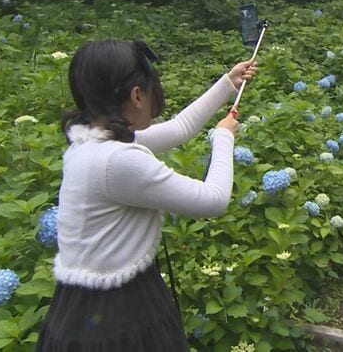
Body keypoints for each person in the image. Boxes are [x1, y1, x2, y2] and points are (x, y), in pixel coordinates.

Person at [36, 39, 256, 351]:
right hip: (117, 317)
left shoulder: (91, 144)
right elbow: (214, 199)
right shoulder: (118, 161)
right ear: (137, 95)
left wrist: (228, 84)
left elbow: (179, 128)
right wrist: (223, 137)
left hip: (80, 306)